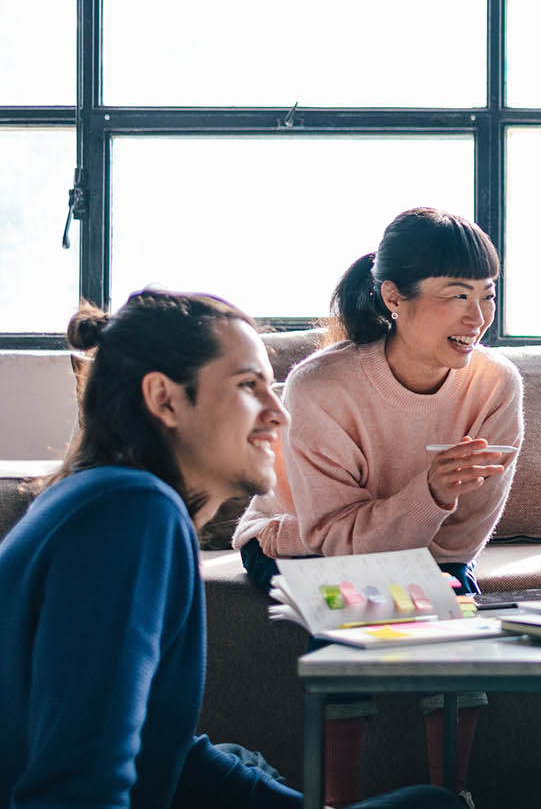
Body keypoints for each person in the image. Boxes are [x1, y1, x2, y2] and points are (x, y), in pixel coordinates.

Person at [0, 289, 460, 809]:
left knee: (250, 764)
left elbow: (160, 748)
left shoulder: (100, 497)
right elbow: (77, 787)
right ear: (164, 399)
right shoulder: (131, 512)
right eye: (249, 387)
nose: (279, 416)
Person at [234, 207, 523, 807]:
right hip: (300, 542)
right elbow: (336, 539)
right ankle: (339, 803)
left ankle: (454, 797)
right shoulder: (322, 385)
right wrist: (431, 493)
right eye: (457, 296)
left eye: (487, 295)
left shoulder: (497, 385)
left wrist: (432, 524)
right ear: (394, 296)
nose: (479, 318)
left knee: (454, 623)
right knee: (348, 607)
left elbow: (460, 540)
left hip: (408, 550)